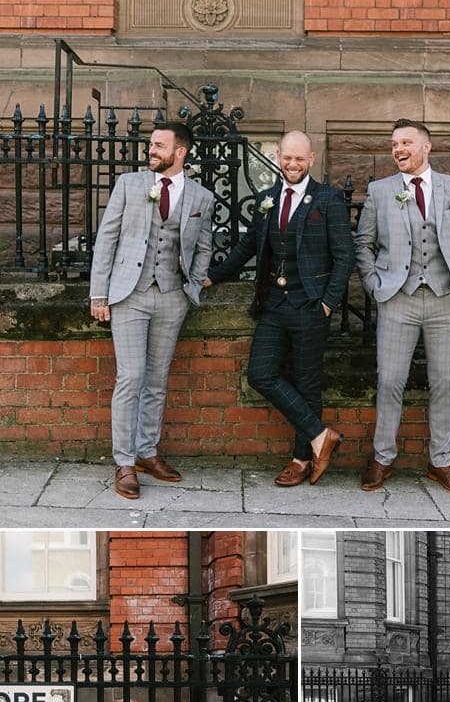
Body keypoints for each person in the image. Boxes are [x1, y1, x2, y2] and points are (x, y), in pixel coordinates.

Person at [204, 131, 353, 486]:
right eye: (288, 157)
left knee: (307, 384)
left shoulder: (328, 200)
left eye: (300, 159)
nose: (293, 164)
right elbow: (246, 247)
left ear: (311, 160)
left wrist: (329, 304)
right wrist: (212, 276)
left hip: (311, 307)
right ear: (278, 156)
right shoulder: (266, 199)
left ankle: (301, 459)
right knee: (260, 374)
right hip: (273, 305)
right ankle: (320, 435)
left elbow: (345, 256)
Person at [354, 119, 450, 494]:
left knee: (444, 383)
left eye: (406, 142)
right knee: (390, 381)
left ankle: (440, 462)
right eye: (394, 143)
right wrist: (374, 283)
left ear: (426, 147)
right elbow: (363, 244)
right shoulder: (380, 192)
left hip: (447, 300)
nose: (398, 149)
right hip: (398, 299)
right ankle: (382, 459)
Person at [89, 121, 213, 500]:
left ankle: (148, 452)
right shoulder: (129, 185)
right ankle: (124, 461)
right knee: (131, 377)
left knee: (157, 379)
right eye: (150, 145)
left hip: (172, 297)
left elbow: (204, 245)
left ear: (181, 152)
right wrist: (99, 295)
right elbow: (106, 238)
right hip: (129, 294)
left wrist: (195, 280)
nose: (151, 150)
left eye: (159, 145)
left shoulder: (201, 198)